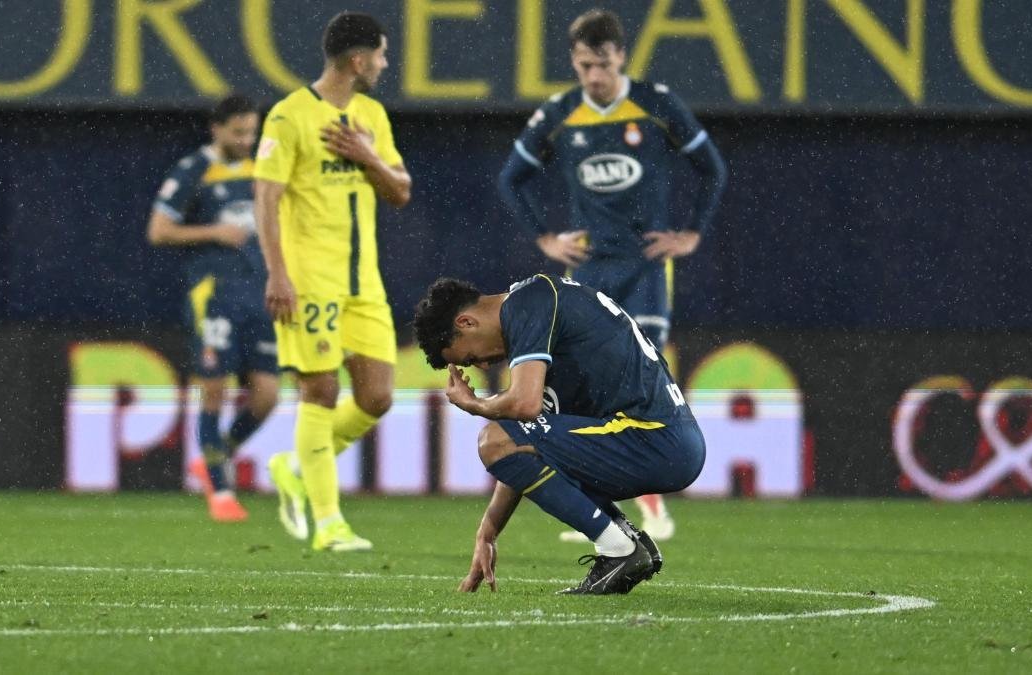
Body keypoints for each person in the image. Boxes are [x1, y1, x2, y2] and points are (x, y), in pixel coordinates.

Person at [497, 9, 726, 542]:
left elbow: (713, 167)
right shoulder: (561, 113)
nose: (594, 76)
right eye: (584, 66)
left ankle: (654, 510)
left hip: (644, 267)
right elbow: (511, 178)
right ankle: (599, 508)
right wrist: (546, 238)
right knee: (580, 382)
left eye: (603, 64)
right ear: (574, 62)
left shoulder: (655, 104)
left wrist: (691, 233)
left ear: (621, 56)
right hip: (592, 269)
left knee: (645, 382)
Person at [413, 274, 706, 594]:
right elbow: (524, 446)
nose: (482, 366)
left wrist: (475, 405)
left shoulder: (527, 304)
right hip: (666, 441)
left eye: (471, 358)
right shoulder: (540, 313)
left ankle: (619, 550)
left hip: (652, 436)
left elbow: (523, 407)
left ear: (467, 322)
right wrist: (488, 533)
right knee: (504, 441)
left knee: (492, 438)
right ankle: (626, 539)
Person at [252, 12, 412, 552]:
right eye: (381, 55)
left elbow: (400, 191)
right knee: (319, 390)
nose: (385, 64)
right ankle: (328, 523)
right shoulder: (289, 116)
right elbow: (266, 199)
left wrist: (366, 156)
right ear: (359, 60)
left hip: (363, 281)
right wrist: (277, 273)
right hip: (309, 279)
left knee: (377, 397)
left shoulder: (371, 116)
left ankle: (296, 467)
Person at [147, 94, 280, 522]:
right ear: (216, 129)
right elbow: (159, 231)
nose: (246, 140)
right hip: (214, 294)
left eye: (251, 132)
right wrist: (214, 232)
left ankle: (215, 456)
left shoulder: (262, 168)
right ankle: (220, 491)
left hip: (258, 294)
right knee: (214, 389)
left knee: (267, 395)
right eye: (237, 132)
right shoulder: (193, 170)